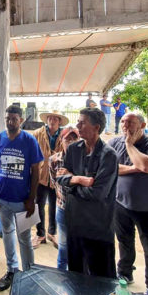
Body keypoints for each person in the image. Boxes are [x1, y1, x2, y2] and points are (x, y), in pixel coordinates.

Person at [108, 113, 148, 295]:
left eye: (130, 123)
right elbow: (108, 167)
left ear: (142, 125)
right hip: (120, 203)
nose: (125, 125)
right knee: (124, 242)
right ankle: (124, 273)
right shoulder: (114, 141)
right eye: (123, 122)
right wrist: (136, 168)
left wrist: (129, 146)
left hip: (147, 207)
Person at [56, 108, 119, 278]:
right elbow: (60, 178)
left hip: (97, 228)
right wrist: (78, 179)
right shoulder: (74, 149)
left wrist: (71, 183)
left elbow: (97, 193)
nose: (77, 125)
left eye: (82, 122)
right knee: (76, 275)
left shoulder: (109, 156)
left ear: (96, 127)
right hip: (74, 223)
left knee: (102, 279)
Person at [0, 105, 43, 291]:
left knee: (25, 238)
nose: (10, 122)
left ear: (20, 120)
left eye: (14, 119)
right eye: (8, 119)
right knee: (7, 233)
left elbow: (36, 170)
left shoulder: (29, 140)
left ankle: (29, 272)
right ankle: (12, 270)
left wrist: (32, 198)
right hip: (2, 200)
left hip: (22, 201)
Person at [31, 111, 69, 248]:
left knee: (55, 205)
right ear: (46, 120)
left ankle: (52, 233)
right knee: (38, 205)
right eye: (50, 118)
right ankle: (40, 233)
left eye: (55, 119)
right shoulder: (37, 133)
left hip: (57, 177)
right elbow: (32, 153)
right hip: (40, 176)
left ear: (59, 122)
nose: (52, 121)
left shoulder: (64, 135)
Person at [48, 127, 79, 271]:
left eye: (74, 138)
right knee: (63, 246)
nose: (71, 142)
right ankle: (61, 276)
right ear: (62, 140)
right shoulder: (54, 160)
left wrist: (71, 175)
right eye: (67, 139)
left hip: (81, 210)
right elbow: (54, 182)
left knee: (78, 246)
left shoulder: (84, 160)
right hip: (62, 208)